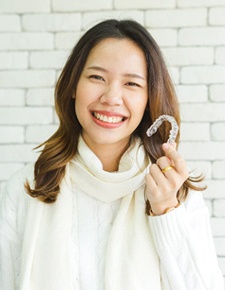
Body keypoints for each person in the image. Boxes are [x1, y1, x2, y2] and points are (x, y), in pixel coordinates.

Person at [0, 19, 223, 290]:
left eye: (131, 84)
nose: (112, 97)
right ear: (72, 86)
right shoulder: (25, 190)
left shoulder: (178, 194)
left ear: (149, 99)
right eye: (97, 77)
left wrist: (166, 211)